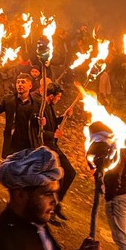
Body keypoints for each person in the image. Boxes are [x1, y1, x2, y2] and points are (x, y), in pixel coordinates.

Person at [41, 83, 75, 224]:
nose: (59, 99)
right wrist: (52, 134)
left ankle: (57, 203)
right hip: (46, 148)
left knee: (70, 173)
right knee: (58, 176)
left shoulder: (50, 107)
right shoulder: (41, 107)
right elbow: (39, 131)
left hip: (53, 146)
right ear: (51, 96)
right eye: (58, 97)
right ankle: (50, 208)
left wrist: (63, 116)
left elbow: (52, 122)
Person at [0, 73, 42, 159]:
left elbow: (41, 124)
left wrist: (42, 122)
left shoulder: (37, 103)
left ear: (30, 86)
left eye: (23, 82)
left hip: (29, 144)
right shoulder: (9, 100)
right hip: (12, 143)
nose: (20, 84)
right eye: (18, 82)